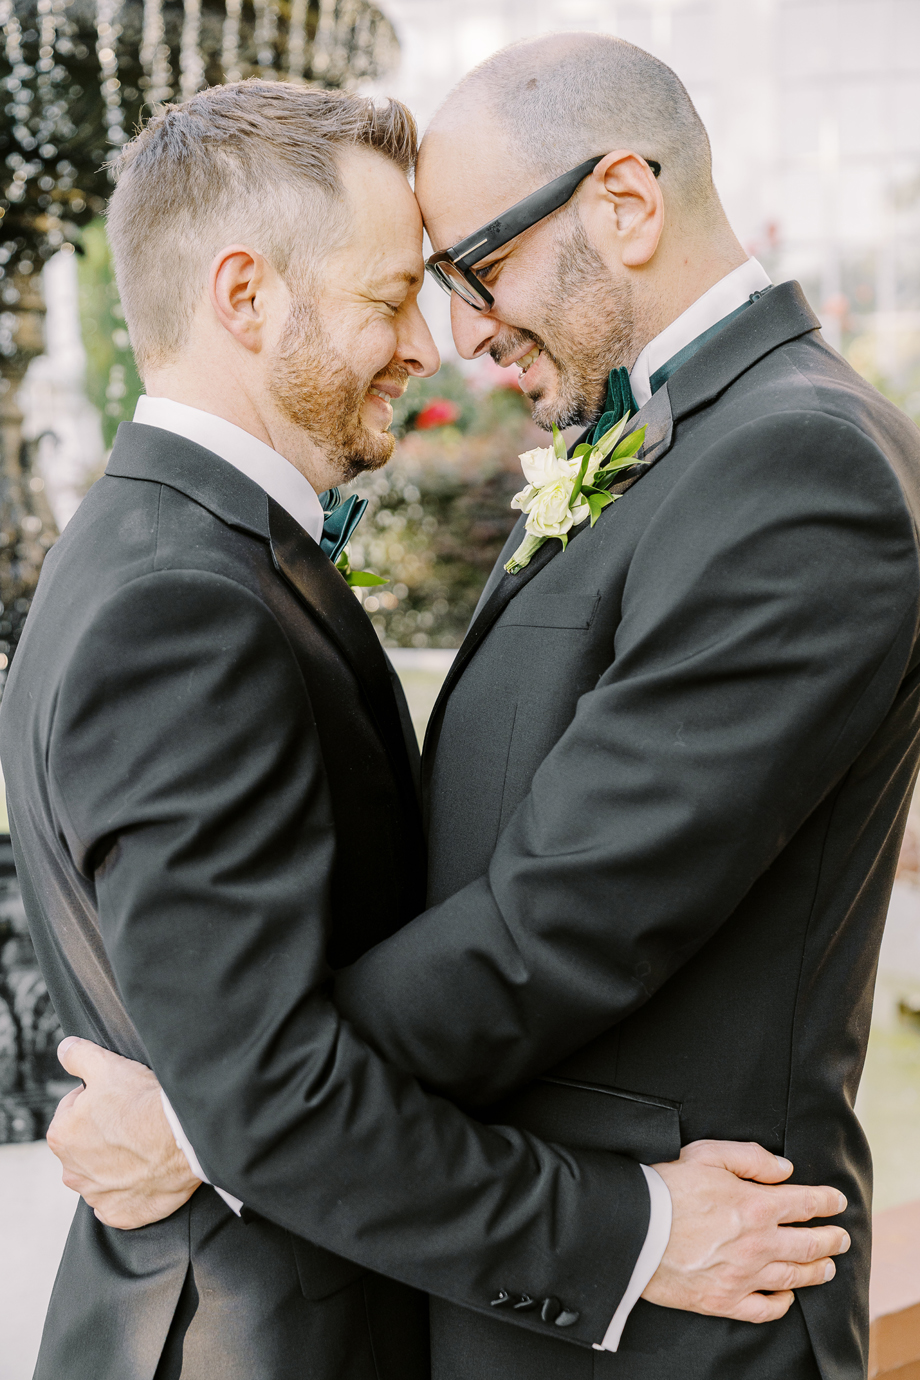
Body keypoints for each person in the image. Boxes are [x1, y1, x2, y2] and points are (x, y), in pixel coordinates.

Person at [0, 76, 847, 1380]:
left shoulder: (155, 545)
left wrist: (206, 1117)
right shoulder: (183, 602)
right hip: (256, 1335)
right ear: (245, 297)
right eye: (392, 298)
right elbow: (266, 1080)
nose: (429, 345)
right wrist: (629, 1235)